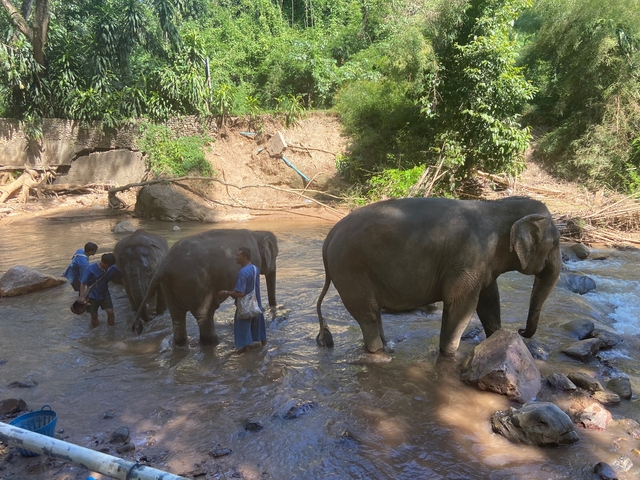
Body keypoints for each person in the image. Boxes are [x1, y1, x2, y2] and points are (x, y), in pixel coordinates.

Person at [218, 247, 267, 353]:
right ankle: (264, 348)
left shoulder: (242, 273)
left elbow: (240, 293)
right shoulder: (255, 268)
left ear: (245, 257)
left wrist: (226, 292)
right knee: (258, 326)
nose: (236, 257)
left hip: (245, 306)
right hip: (256, 303)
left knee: (243, 329)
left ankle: (247, 354)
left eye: (238, 255)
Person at [78, 253, 120, 328]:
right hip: (92, 295)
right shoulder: (90, 269)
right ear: (103, 262)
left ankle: (111, 329)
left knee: (110, 312)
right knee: (94, 315)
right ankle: (96, 332)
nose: (109, 266)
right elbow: (83, 283)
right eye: (108, 265)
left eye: (111, 265)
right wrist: (82, 296)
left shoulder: (112, 268)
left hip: (105, 293)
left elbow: (121, 277)